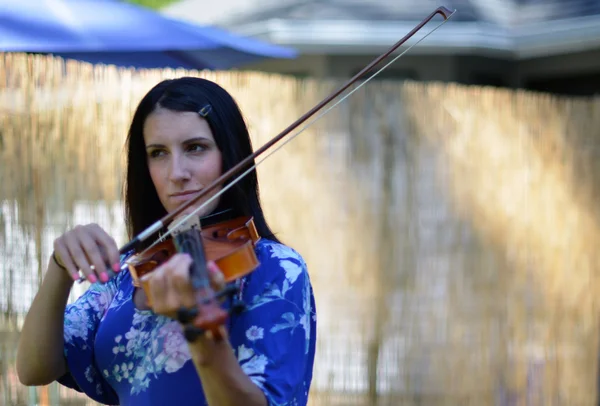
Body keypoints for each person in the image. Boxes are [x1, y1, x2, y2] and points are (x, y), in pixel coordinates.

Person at [16, 77, 317, 406]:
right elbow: (34, 369)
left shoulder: (276, 269)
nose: (176, 172)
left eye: (195, 148)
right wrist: (59, 270)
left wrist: (201, 333)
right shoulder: (132, 272)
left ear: (229, 154)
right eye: (158, 153)